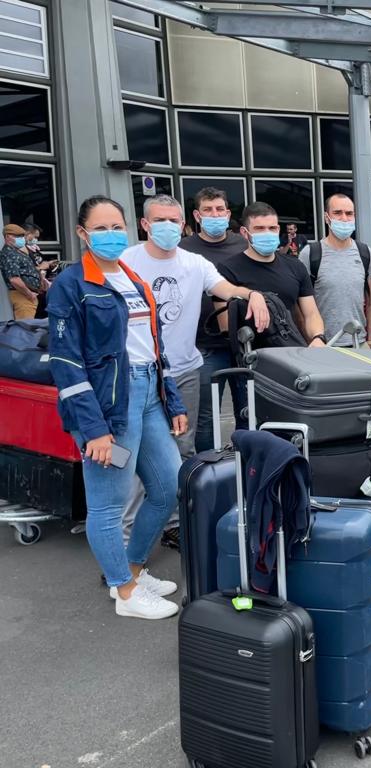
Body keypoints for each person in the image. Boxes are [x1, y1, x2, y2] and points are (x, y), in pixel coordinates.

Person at [47, 196, 186, 620]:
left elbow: (154, 348)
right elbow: (66, 363)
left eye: (117, 227)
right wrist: (93, 430)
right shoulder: (71, 286)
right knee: (108, 502)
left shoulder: (133, 279)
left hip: (147, 397)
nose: (111, 235)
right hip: (108, 409)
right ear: (82, 234)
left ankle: (132, 567)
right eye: (101, 228)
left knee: (168, 487)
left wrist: (173, 400)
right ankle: (124, 592)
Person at [121, 194, 269, 547]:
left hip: (184, 371)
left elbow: (226, 288)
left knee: (180, 449)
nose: (168, 227)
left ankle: (171, 522)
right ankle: (127, 539)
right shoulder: (127, 262)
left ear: (183, 224)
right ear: (145, 225)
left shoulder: (194, 264)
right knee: (135, 454)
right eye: (160, 221)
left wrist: (253, 295)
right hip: (137, 372)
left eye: (173, 221)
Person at [179, 187, 251, 452]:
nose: (215, 214)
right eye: (208, 210)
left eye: (220, 209)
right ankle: (208, 469)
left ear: (228, 213)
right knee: (206, 417)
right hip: (205, 344)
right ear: (197, 215)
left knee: (247, 411)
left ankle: (245, 466)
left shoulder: (243, 245)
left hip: (243, 344)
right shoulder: (184, 249)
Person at [215, 202, 328, 348]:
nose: (267, 233)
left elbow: (311, 313)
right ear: (244, 232)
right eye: (259, 229)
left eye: (272, 228)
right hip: (251, 360)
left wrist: (317, 337)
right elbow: (226, 326)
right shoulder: (227, 268)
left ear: (278, 229)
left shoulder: (295, 266)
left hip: (293, 353)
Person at [298, 192, 371, 347]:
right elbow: (300, 303)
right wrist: (311, 340)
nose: (344, 218)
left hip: (359, 344)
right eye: (337, 213)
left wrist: (370, 340)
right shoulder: (310, 254)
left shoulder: (365, 254)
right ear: (327, 217)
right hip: (323, 346)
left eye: (349, 214)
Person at [1, 224, 43, 319]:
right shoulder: (9, 253)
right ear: (8, 237)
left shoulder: (16, 251)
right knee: (25, 330)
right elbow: (14, 279)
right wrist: (29, 294)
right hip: (22, 296)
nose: (21, 239)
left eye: (22, 236)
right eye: (18, 236)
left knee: (29, 329)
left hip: (26, 295)